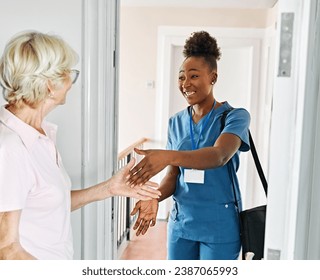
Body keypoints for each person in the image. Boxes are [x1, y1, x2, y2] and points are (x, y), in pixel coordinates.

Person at [0, 31, 160, 260]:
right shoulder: (11, 147)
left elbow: (48, 205)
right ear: (49, 85)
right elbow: (6, 250)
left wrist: (109, 188)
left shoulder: (40, 135)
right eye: (68, 73)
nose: (71, 83)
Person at [128, 31, 250, 260]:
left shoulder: (235, 117)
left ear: (212, 77)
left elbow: (219, 156)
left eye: (193, 76)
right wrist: (155, 196)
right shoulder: (176, 122)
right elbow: (173, 177)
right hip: (181, 226)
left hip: (220, 227)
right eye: (181, 77)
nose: (185, 84)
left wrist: (168, 156)